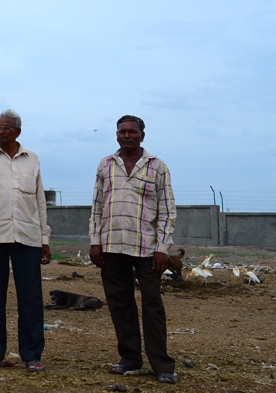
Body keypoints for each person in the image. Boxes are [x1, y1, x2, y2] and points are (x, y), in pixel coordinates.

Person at [89, 115, 178, 385]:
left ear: (142, 135)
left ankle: (161, 364)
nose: (126, 135)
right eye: (121, 132)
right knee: (120, 303)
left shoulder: (157, 167)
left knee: (152, 304)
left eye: (132, 131)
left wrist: (163, 248)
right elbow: (96, 206)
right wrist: (95, 241)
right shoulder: (106, 164)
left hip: (147, 248)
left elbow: (167, 211)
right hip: (112, 246)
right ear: (116, 135)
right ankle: (130, 359)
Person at [0, 109, 51, 373]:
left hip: (28, 238)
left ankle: (32, 355)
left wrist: (44, 239)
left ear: (17, 131)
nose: (0, 132)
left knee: (30, 299)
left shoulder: (33, 160)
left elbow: (40, 203)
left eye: (5, 128)